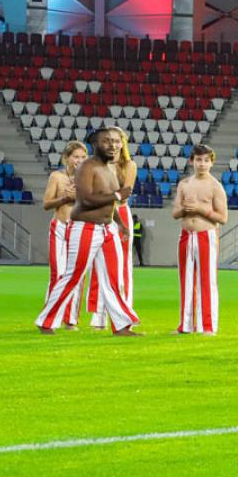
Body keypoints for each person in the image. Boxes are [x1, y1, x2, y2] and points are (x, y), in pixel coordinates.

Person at [35, 128, 140, 335]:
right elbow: (87, 199)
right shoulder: (87, 167)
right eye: (105, 142)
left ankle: (121, 325)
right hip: (86, 227)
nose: (111, 145)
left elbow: (109, 203)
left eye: (113, 141)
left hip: (107, 228)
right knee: (73, 275)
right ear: (95, 145)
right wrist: (118, 195)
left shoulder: (108, 169)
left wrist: (120, 223)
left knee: (113, 278)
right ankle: (46, 320)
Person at [171, 144, 229, 335]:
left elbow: (223, 218)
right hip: (186, 235)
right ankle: (185, 325)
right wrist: (186, 209)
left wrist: (201, 209)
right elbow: (175, 213)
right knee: (185, 281)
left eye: (206, 160)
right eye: (198, 160)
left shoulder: (215, 186)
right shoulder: (184, 184)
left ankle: (208, 326)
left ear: (212, 162)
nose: (202, 164)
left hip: (206, 235)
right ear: (192, 161)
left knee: (207, 280)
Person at [88, 126, 138, 330]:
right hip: (99, 214)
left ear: (122, 143)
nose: (113, 144)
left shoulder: (129, 165)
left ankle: (123, 313)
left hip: (120, 215)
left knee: (122, 265)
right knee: (98, 265)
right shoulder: (96, 164)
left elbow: (124, 193)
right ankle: (98, 315)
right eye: (109, 141)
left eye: (117, 141)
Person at [41, 141, 88, 329]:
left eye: (83, 157)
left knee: (77, 275)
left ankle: (71, 320)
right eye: (76, 157)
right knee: (58, 274)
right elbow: (46, 204)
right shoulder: (56, 177)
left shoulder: (88, 178)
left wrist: (80, 197)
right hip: (60, 228)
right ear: (66, 158)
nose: (79, 161)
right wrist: (64, 198)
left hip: (79, 228)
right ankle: (51, 317)